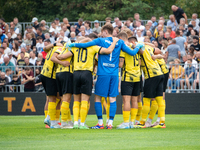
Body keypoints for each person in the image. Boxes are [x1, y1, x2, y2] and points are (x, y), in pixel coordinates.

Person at [67, 23, 144, 129]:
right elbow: (131, 53)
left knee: (98, 98)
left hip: (103, 74)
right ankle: (110, 123)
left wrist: (73, 45)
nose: (100, 34)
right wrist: (138, 47)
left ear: (105, 31)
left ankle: (100, 123)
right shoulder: (120, 42)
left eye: (101, 32)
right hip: (114, 74)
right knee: (112, 98)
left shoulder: (100, 40)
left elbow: (85, 45)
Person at [57, 36, 118, 129]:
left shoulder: (75, 48)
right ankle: (82, 124)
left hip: (76, 73)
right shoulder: (94, 47)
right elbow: (108, 51)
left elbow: (61, 57)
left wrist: (63, 51)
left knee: (76, 100)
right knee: (85, 100)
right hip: (87, 74)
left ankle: (75, 123)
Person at [137, 44, 166, 128]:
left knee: (146, 99)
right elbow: (159, 53)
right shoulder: (149, 48)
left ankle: (142, 123)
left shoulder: (139, 49)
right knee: (160, 99)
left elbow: (138, 63)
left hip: (151, 76)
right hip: (160, 74)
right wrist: (156, 57)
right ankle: (162, 123)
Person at [117, 34, 141, 129]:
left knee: (126, 100)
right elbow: (139, 63)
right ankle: (132, 122)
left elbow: (121, 65)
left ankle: (126, 123)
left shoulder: (124, 49)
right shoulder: (137, 49)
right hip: (137, 77)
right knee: (134, 100)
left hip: (128, 77)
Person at [40, 41, 64, 128]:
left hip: (45, 74)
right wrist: (63, 63)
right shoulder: (60, 49)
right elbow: (53, 59)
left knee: (57, 97)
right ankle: (50, 120)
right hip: (50, 76)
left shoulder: (52, 48)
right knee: (52, 99)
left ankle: (53, 119)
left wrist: (54, 44)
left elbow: (44, 48)